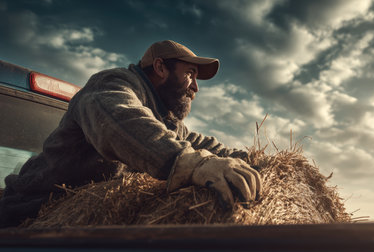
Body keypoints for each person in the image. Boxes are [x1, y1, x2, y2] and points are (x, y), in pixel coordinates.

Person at [0, 40, 261, 228]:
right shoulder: (111, 85)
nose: (196, 87)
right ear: (160, 68)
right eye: (190, 74)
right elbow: (121, 122)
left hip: (86, 226)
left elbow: (199, 142)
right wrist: (192, 162)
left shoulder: (163, 116)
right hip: (26, 218)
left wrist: (254, 159)